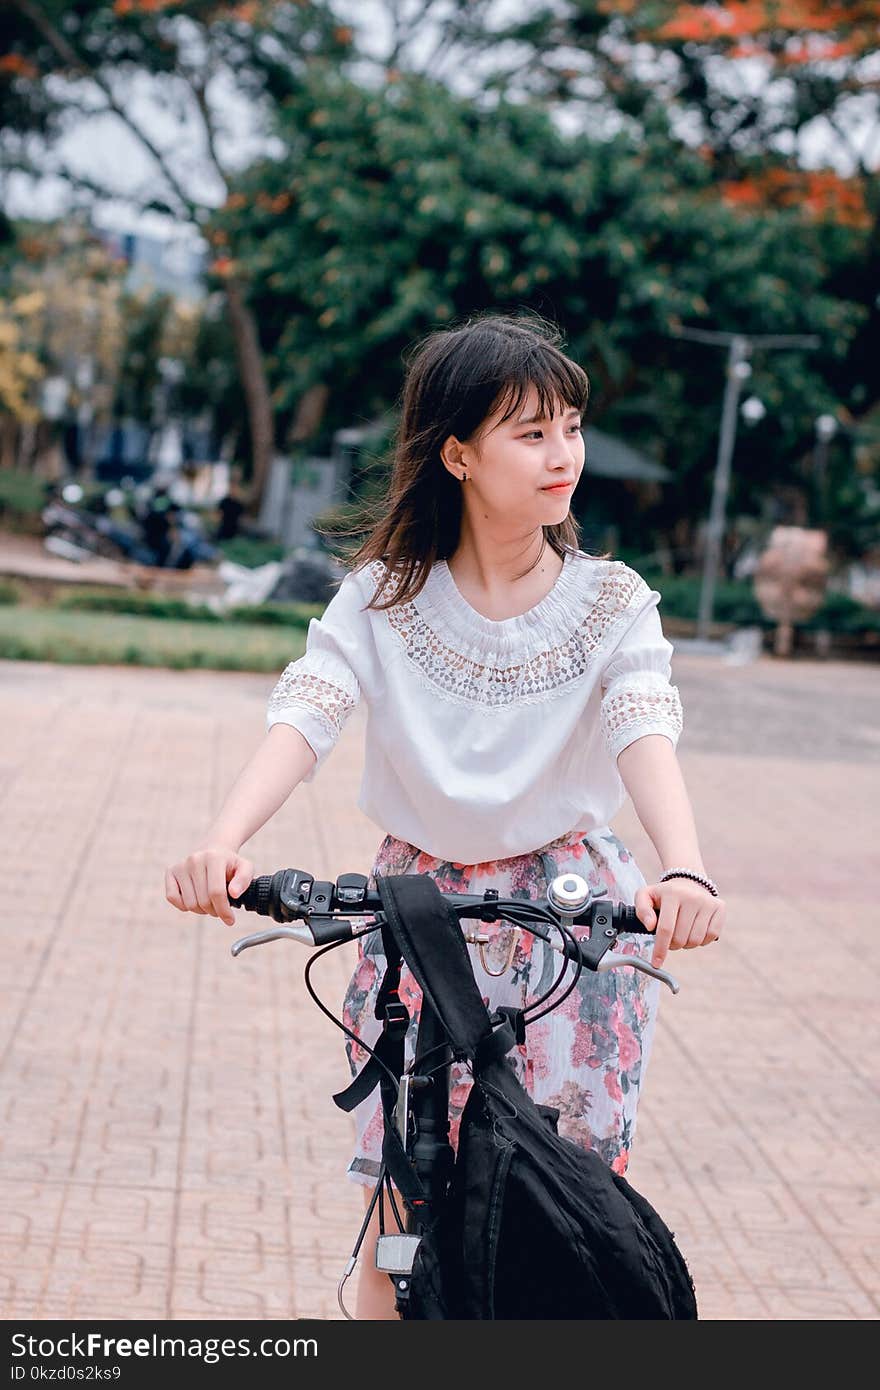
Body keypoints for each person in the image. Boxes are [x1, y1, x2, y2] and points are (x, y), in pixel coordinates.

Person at [164, 311, 726, 1320]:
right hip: (416, 908)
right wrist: (223, 841)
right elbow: (310, 707)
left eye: (570, 426)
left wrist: (680, 869)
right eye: (530, 432)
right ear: (458, 453)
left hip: (571, 919)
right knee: (398, 1194)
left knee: (561, 1196)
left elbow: (645, 722)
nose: (563, 455)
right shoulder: (383, 596)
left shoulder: (612, 601)